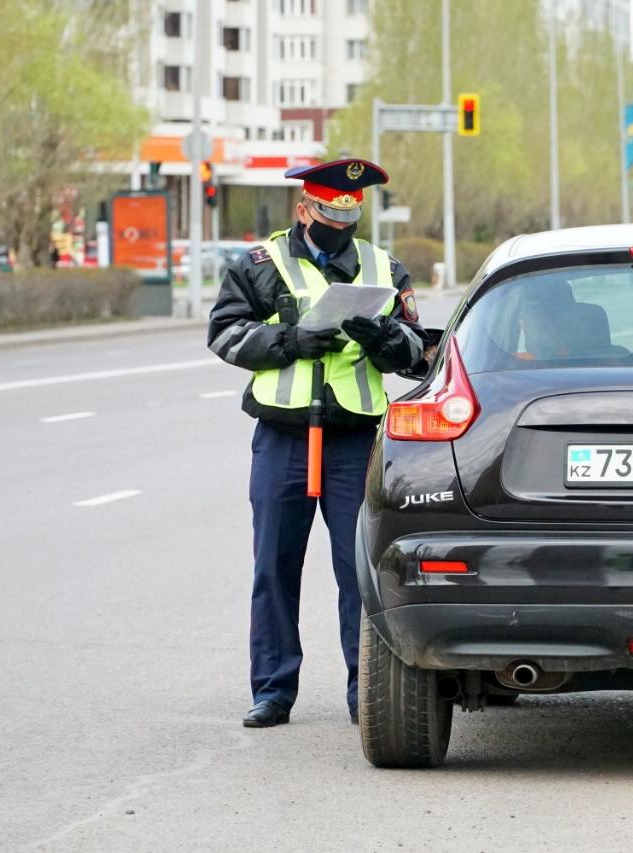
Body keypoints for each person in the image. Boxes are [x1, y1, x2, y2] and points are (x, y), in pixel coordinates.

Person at [206, 159, 426, 728]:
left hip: (354, 440)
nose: (341, 221)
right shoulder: (260, 266)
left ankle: (365, 691)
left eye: (351, 212)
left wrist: (384, 340)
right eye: (331, 210)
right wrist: (289, 341)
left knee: (360, 571)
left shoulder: (383, 268)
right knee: (274, 569)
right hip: (283, 438)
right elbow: (225, 334)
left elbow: (419, 353)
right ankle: (273, 691)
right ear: (305, 208)